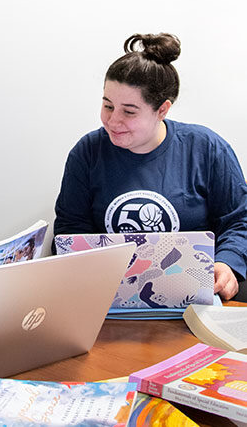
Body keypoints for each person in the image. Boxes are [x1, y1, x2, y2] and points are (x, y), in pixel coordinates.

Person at [54, 33, 247, 301]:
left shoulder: (206, 148)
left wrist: (227, 263)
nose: (113, 120)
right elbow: (70, 228)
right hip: (107, 298)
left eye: (129, 111)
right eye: (107, 105)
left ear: (162, 110)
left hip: (196, 296)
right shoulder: (87, 152)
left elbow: (239, 220)